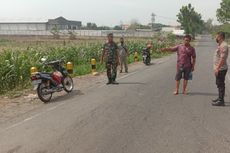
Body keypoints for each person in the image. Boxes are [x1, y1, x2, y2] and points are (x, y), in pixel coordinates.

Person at [212, 32, 229, 106]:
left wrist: (217, 68)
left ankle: (221, 101)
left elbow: (222, 58)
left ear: (220, 37)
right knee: (219, 83)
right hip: (219, 68)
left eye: (217, 37)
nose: (216, 38)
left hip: (221, 68)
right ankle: (219, 98)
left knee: (221, 84)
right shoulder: (221, 45)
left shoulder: (224, 45)